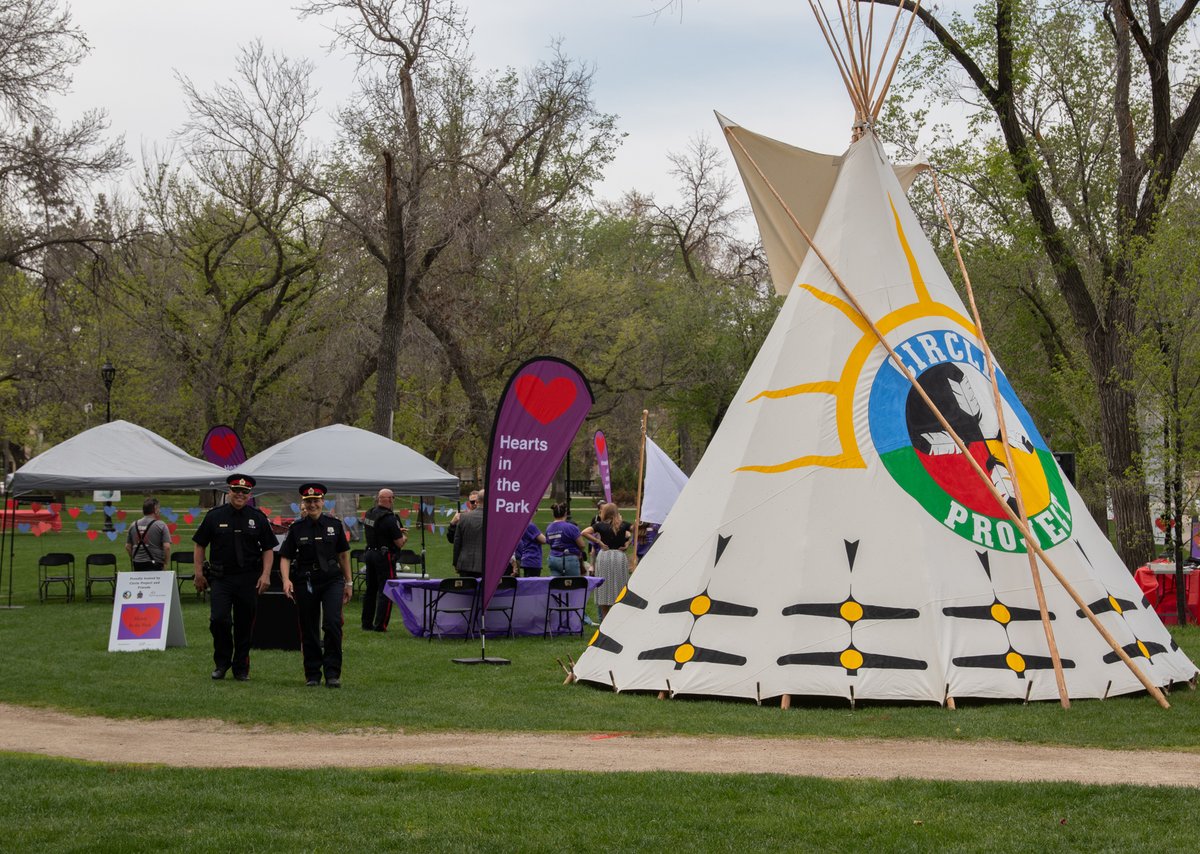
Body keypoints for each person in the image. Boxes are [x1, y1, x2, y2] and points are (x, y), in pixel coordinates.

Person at [192, 473, 276, 681]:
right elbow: (200, 544)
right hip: (222, 578)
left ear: (249, 494)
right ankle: (222, 663)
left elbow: (268, 549)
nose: (240, 494)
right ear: (229, 491)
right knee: (218, 620)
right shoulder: (215, 516)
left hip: (248, 578)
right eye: (236, 490)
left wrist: (265, 575)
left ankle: (241, 667)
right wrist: (199, 573)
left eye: (244, 491)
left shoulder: (257, 518)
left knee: (244, 624)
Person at [279, 483, 352, 688]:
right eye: (308, 501)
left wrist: (349, 582)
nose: (312, 504)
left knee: (332, 623)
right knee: (309, 627)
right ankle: (312, 674)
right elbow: (285, 556)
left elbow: (343, 555)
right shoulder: (296, 528)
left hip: (332, 580)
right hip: (306, 580)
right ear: (303, 503)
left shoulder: (334, 525)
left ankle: (332, 673)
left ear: (323, 502)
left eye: (315, 501)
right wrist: (286, 579)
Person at [361, 488, 408, 631]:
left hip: (369, 553)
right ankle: (380, 625)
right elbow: (399, 543)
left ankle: (366, 623)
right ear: (388, 499)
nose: (393, 500)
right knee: (386, 589)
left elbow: (377, 530)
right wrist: (404, 536)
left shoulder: (369, 513)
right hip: (384, 556)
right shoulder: (389, 518)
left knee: (370, 590)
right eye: (393, 497)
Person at [582, 502, 632, 621]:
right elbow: (637, 530)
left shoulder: (600, 525)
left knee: (604, 588)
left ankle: (604, 621)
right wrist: (628, 543)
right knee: (620, 585)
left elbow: (584, 532)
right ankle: (619, 620)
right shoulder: (624, 525)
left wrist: (599, 542)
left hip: (604, 557)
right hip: (619, 557)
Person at [125, 497, 171, 571]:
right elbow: (167, 547)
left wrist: (135, 557)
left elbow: (127, 546)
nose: (159, 510)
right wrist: (165, 562)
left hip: (137, 563)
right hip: (156, 563)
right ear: (155, 509)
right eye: (159, 508)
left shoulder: (133, 525)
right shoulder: (161, 525)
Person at [545, 501, 586, 577]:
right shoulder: (571, 527)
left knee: (557, 585)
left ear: (553, 514)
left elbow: (548, 542)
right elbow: (582, 545)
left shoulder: (549, 528)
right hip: (569, 559)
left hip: (553, 559)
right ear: (565, 513)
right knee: (573, 584)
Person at [451, 488, 485, 577]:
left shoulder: (463, 518)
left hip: (465, 564)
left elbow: (457, 543)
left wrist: (456, 563)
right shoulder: (494, 519)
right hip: (485, 564)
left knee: (466, 590)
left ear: (477, 501)